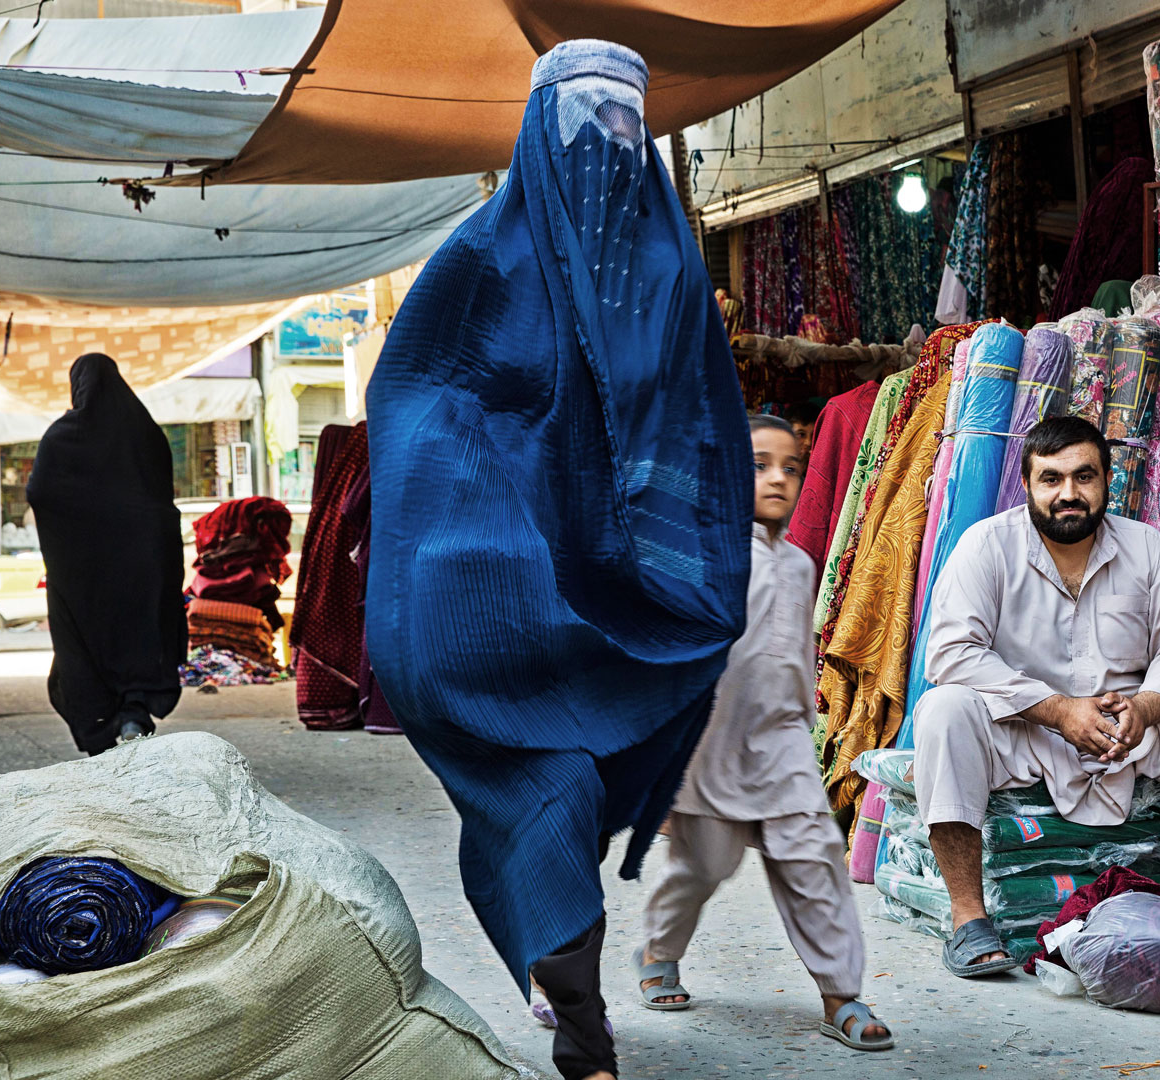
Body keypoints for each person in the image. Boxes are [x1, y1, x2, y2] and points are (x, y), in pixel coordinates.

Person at [366, 41, 751, 1080]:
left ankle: (565, 982)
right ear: (539, 135)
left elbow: (702, 420)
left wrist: (682, 553)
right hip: (502, 595)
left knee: (577, 795)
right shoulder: (483, 260)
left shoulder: (668, 265)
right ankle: (583, 1024)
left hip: (626, 599)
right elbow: (417, 396)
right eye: (585, 127)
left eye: (628, 127)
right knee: (549, 795)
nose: (608, 149)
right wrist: (479, 518)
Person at [913, 415, 1160, 976]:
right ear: (1027, 483)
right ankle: (969, 919)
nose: (1068, 494)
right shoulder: (987, 546)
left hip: (1132, 735)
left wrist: (1145, 709)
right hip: (1029, 735)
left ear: (1107, 480)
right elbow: (951, 654)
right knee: (945, 710)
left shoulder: (1146, 547)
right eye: (1051, 479)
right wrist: (1058, 711)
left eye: (1084, 477)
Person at [639, 415, 892, 1051]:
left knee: (814, 862)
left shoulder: (801, 564)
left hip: (783, 746)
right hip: (710, 747)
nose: (777, 478)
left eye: (790, 466)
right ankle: (658, 949)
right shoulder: (701, 556)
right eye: (757, 464)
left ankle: (842, 993)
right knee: (702, 866)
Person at [26, 353, 184, 755]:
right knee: (141, 633)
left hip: (82, 573)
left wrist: (73, 529)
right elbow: (162, 497)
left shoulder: (63, 435)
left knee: (83, 642)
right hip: (143, 564)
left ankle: (99, 730)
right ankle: (134, 711)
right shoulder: (145, 432)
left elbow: (39, 492)